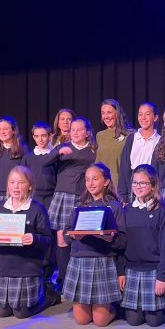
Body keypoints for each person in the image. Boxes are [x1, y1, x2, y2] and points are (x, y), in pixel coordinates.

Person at [0, 166, 60, 318]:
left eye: (21, 182)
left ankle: (49, 297)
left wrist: (35, 238)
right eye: (12, 182)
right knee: (2, 313)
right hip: (4, 268)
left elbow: (48, 240)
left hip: (27, 268)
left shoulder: (37, 209)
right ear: (7, 185)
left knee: (21, 313)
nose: (16, 186)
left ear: (30, 186)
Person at [63, 163, 127, 326]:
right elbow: (66, 234)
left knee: (100, 321)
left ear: (106, 182)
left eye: (95, 179)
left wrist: (110, 238)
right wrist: (74, 236)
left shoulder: (114, 207)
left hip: (102, 261)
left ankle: (116, 309)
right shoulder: (80, 205)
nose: (90, 183)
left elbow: (122, 241)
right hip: (79, 261)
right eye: (87, 179)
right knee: (81, 320)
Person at [120, 164, 165, 327]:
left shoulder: (163, 212)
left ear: (153, 185)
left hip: (154, 272)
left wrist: (161, 276)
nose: (138, 187)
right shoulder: (127, 210)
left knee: (153, 321)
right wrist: (121, 271)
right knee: (133, 321)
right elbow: (121, 245)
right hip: (132, 271)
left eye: (143, 183)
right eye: (135, 182)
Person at [48, 116, 97, 290]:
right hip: (62, 196)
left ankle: (77, 279)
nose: (75, 133)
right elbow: (44, 162)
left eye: (79, 129)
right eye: (72, 130)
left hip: (80, 197)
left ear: (87, 133)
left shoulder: (93, 151)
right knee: (61, 239)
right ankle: (63, 280)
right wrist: (57, 153)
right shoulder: (62, 147)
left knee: (78, 238)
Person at [22, 121, 58, 288]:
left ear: (50, 136)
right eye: (37, 136)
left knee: (48, 234)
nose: (41, 139)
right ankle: (33, 270)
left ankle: (48, 274)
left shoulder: (55, 155)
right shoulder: (28, 157)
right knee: (33, 232)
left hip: (50, 198)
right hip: (33, 199)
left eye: (44, 135)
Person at [118, 102, 161, 203]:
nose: (143, 118)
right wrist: (123, 195)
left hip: (151, 189)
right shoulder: (132, 139)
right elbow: (124, 168)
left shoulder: (160, 141)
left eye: (147, 114)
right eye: (140, 114)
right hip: (132, 189)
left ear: (155, 117)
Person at [0, 116, 27, 206]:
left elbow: (27, 175)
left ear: (13, 130)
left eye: (6, 129)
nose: (2, 132)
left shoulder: (23, 150)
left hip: (16, 195)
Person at [96, 99, 134, 185]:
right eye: (103, 113)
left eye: (109, 112)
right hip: (101, 185)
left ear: (117, 113)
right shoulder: (100, 136)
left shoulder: (130, 135)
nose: (106, 116)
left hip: (120, 185)